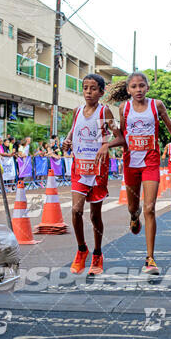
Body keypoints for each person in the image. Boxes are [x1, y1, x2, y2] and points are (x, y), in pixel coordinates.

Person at [105, 72, 171, 275]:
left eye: (142, 86)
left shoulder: (156, 105)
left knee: (150, 208)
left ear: (147, 88)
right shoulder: (124, 108)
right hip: (131, 163)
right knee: (135, 208)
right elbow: (123, 136)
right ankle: (134, 216)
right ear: (128, 90)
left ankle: (150, 258)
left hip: (151, 161)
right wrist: (105, 143)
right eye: (134, 86)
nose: (138, 90)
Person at [62, 73, 121, 276]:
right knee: (76, 210)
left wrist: (106, 145)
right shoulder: (78, 111)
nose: (88, 92)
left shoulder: (105, 112)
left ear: (101, 92)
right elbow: (73, 131)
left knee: (95, 215)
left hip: (97, 170)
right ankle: (81, 250)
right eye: (86, 87)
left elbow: (120, 138)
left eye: (93, 88)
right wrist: (67, 141)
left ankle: (97, 254)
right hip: (79, 168)